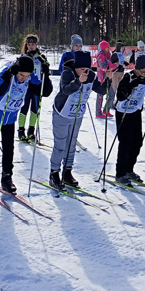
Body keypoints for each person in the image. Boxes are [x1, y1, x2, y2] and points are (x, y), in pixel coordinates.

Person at [0, 54, 34, 195]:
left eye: (26, 76)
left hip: (9, 117)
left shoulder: (28, 79)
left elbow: (45, 91)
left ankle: (7, 178)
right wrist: (7, 77)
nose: (22, 78)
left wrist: (45, 76)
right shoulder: (6, 74)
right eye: (21, 74)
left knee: (9, 147)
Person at [50, 51, 95, 190]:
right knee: (60, 145)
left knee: (71, 144)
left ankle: (67, 171)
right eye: (82, 69)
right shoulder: (67, 73)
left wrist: (107, 80)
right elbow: (65, 90)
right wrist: (78, 81)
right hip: (62, 112)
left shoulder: (90, 75)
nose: (85, 72)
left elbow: (101, 89)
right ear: (76, 67)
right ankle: (54, 173)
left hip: (76, 114)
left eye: (87, 69)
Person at [113, 55, 145, 185]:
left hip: (135, 112)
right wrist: (131, 86)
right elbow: (120, 96)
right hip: (123, 112)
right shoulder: (128, 77)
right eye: (143, 71)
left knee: (137, 142)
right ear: (137, 68)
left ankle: (129, 169)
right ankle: (120, 173)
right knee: (125, 143)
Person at [18, 34, 52, 142]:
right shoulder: (24, 56)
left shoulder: (40, 57)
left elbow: (47, 66)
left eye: (33, 44)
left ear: (36, 45)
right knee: (24, 108)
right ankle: (21, 130)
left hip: (37, 86)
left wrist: (46, 68)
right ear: (27, 45)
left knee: (35, 109)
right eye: (29, 44)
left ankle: (31, 131)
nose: (31, 46)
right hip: (26, 86)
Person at [95, 39, 115, 118]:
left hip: (108, 77)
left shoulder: (108, 54)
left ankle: (106, 110)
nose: (108, 48)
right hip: (102, 78)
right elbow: (104, 67)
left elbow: (110, 65)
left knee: (111, 94)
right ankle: (98, 112)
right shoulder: (101, 55)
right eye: (107, 47)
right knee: (100, 95)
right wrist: (115, 66)